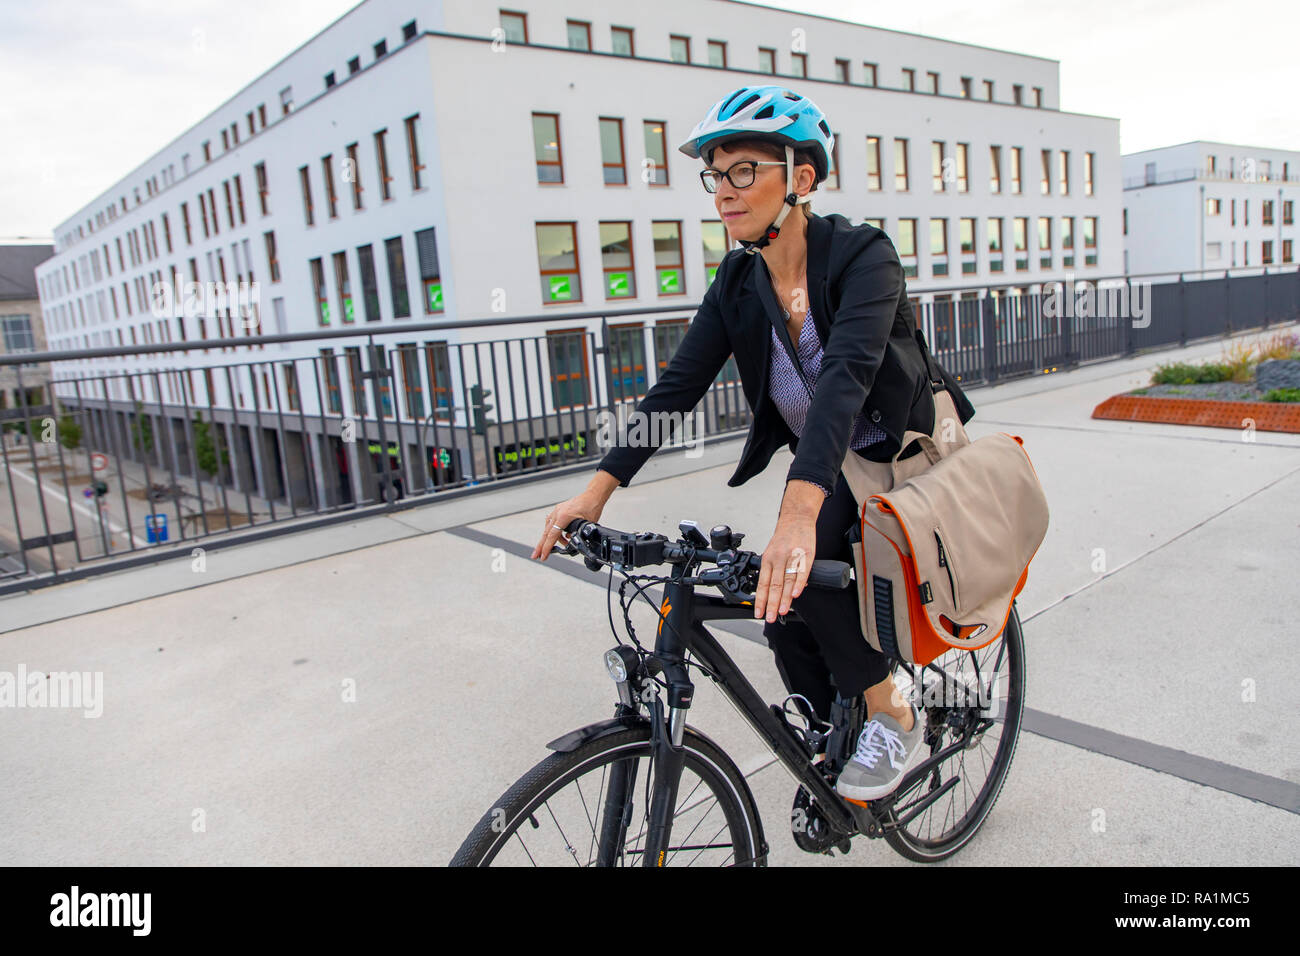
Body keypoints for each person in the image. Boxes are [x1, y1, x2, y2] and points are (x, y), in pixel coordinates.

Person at [530, 85, 975, 801]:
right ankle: (839, 723)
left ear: (801, 178)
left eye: (744, 171)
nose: (724, 192)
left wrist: (797, 518)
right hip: (826, 465)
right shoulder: (739, 279)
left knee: (805, 559)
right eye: (715, 174)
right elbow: (675, 389)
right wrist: (597, 489)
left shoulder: (864, 256)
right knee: (779, 608)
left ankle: (895, 712)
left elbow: (844, 380)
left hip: (897, 453)